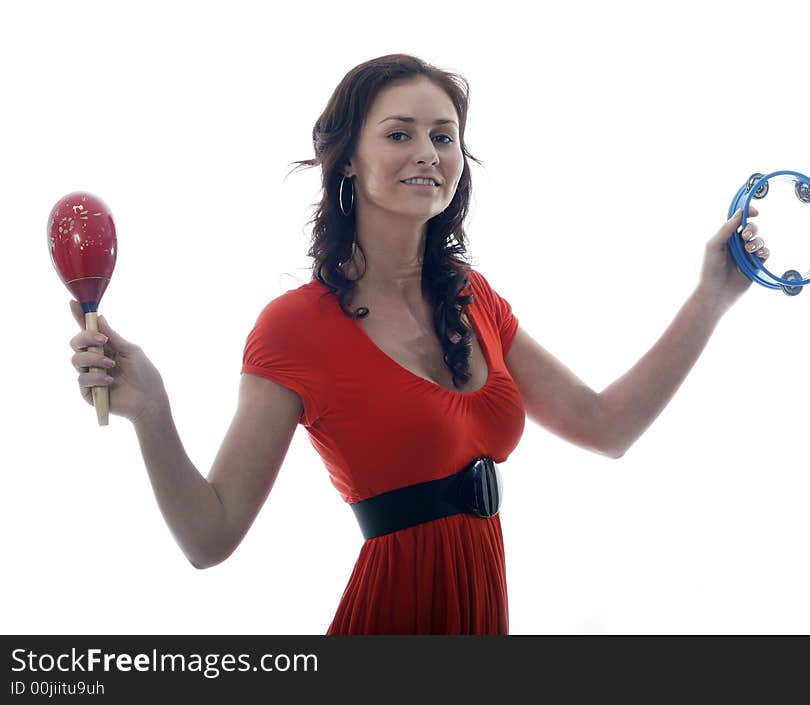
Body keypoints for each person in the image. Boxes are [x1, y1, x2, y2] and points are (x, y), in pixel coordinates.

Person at [67, 54, 769, 635]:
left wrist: (714, 293)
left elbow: (607, 425)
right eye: (399, 134)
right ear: (346, 160)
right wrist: (152, 410)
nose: (428, 153)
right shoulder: (294, 327)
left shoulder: (474, 298)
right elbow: (209, 537)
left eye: (443, 135)